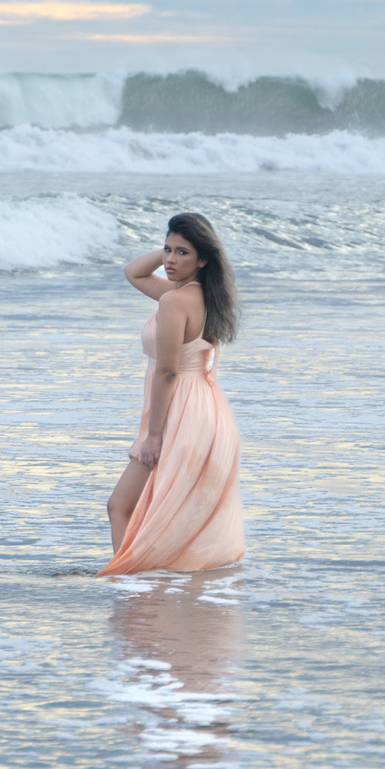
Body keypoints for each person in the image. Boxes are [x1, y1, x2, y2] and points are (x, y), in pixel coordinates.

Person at [102, 212, 245, 574]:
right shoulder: (203, 296)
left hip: (179, 407)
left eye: (182, 253)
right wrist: (176, 250)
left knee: (121, 505)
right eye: (167, 250)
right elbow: (133, 272)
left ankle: (129, 582)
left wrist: (154, 435)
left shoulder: (174, 302)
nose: (168, 260)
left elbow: (167, 372)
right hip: (205, 408)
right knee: (178, 505)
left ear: (204, 258)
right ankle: (164, 582)